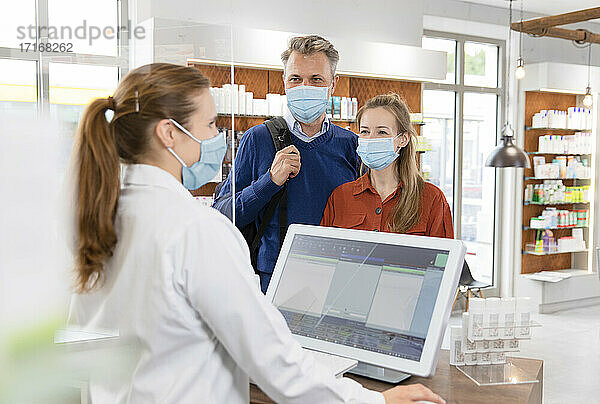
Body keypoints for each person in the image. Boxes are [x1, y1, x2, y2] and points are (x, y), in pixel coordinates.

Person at [67, 63, 445, 404]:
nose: (217, 137)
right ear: (170, 133)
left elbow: (82, 350)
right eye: (211, 125)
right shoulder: (195, 230)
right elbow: (272, 359)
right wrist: (375, 402)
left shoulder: (101, 216)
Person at [213, 35, 360, 293]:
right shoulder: (258, 139)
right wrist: (269, 182)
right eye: (295, 79)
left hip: (338, 279)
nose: (305, 87)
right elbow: (223, 215)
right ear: (284, 82)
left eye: (316, 80)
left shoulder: (351, 145)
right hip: (275, 280)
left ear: (333, 84)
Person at [321, 93, 453, 238]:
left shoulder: (431, 198)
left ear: (403, 139)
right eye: (365, 131)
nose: (371, 139)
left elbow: (445, 258)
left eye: (382, 132)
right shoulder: (341, 197)